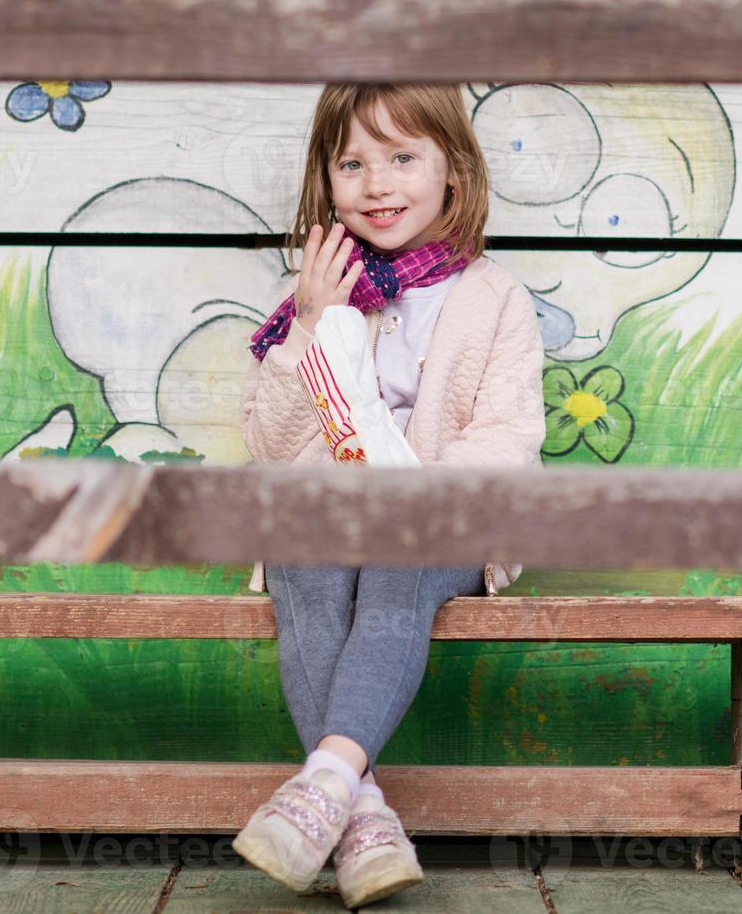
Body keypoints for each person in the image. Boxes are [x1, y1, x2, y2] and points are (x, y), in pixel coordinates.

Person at [230, 83, 545, 906]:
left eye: (403, 158)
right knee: (310, 559)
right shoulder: (321, 291)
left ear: (453, 171)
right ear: (326, 180)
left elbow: (505, 440)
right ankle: (357, 813)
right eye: (352, 164)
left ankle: (324, 780)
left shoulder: (494, 298)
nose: (377, 185)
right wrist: (309, 321)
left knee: (396, 571)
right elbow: (270, 444)